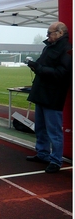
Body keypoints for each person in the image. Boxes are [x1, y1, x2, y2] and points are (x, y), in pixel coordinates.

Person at [25, 21, 72, 173]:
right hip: (41, 92)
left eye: (50, 33)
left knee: (54, 131)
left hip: (53, 95)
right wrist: (34, 65)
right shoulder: (48, 47)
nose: (47, 35)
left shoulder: (66, 49)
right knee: (40, 128)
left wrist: (39, 68)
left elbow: (62, 74)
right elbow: (42, 65)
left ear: (60, 33)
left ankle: (56, 160)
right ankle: (43, 153)